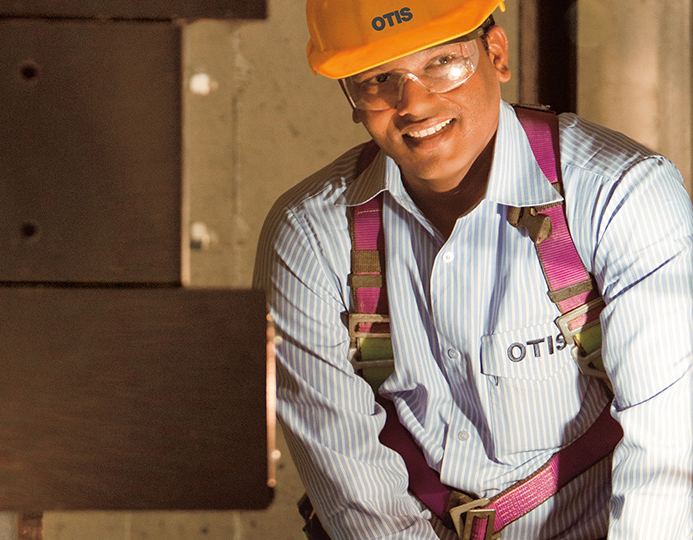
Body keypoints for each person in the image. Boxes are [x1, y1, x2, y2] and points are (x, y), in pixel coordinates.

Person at [253, 0, 693, 538]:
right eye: (379, 78)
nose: (413, 101)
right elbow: (357, 498)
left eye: (442, 62)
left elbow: (667, 456)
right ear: (352, 98)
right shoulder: (309, 238)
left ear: (497, 53)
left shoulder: (621, 195)